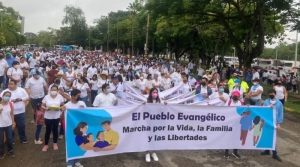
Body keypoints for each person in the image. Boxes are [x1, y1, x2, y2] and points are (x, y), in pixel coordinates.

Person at [61, 89, 86, 167]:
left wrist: (83, 110)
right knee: (70, 144)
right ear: (72, 96)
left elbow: (87, 115)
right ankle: (70, 162)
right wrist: (62, 111)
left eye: (79, 95)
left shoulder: (82, 103)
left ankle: (77, 161)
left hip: (80, 129)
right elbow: (61, 118)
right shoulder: (67, 105)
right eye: (78, 95)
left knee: (79, 144)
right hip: (70, 129)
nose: (79, 96)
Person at [142, 87, 167, 162]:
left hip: (157, 122)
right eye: (153, 92)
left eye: (156, 92)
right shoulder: (146, 100)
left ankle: (153, 152)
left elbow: (163, 110)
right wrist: (142, 104)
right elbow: (142, 110)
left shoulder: (159, 100)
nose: (155, 94)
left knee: (155, 137)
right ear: (150, 93)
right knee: (148, 137)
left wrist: (166, 104)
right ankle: (147, 153)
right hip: (148, 122)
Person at [261, 89, 283, 162]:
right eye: (270, 93)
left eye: (272, 93)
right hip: (267, 122)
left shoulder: (279, 103)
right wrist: (267, 107)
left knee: (273, 138)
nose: (271, 94)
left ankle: (274, 153)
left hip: (274, 123)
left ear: (275, 94)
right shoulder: (266, 102)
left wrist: (279, 123)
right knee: (267, 136)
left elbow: (280, 114)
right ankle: (267, 150)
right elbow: (263, 110)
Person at [41, 85, 64, 151]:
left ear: (57, 90)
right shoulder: (46, 97)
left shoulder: (60, 97)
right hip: (48, 116)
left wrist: (59, 108)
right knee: (48, 130)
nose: (54, 91)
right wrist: (45, 108)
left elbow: (63, 105)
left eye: (55, 90)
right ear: (50, 90)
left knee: (55, 130)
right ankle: (46, 145)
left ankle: (55, 143)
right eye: (52, 90)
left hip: (56, 116)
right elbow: (42, 105)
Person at [0, 91, 15, 158]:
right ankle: (2, 151)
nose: (7, 97)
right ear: (2, 96)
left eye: (9, 96)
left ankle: (10, 150)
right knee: (1, 139)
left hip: (8, 124)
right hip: (0, 125)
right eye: (6, 95)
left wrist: (13, 122)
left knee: (10, 138)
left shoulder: (11, 104)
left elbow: (12, 114)